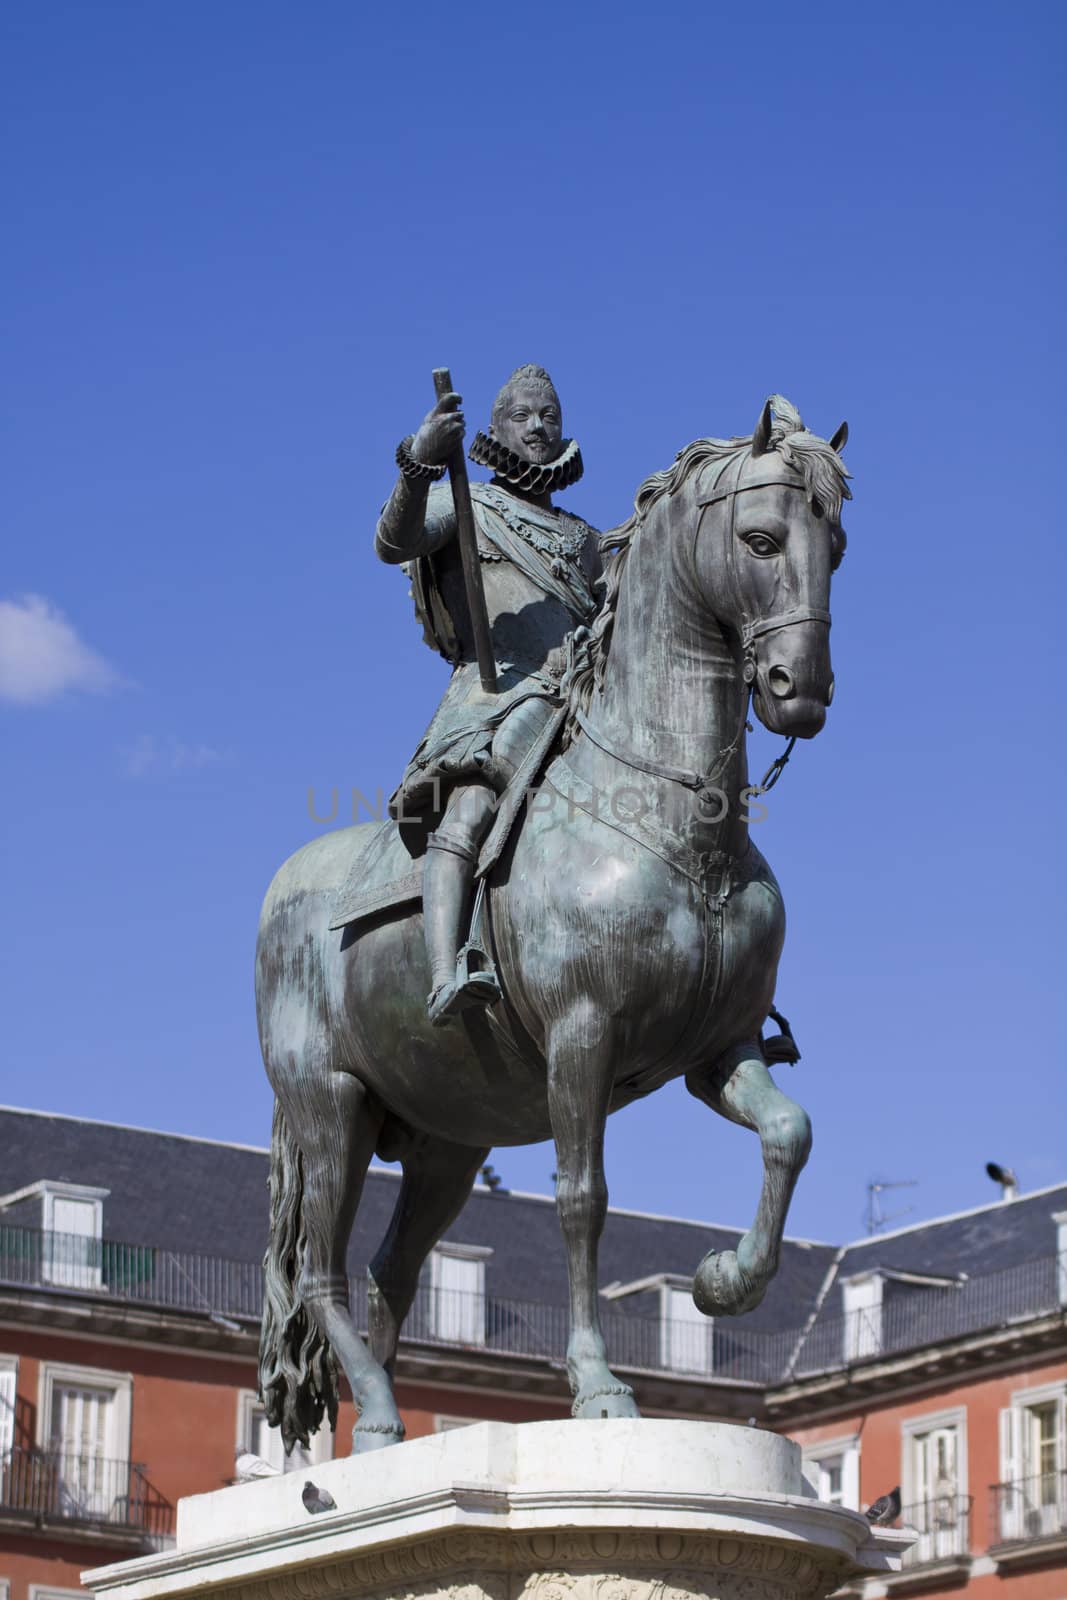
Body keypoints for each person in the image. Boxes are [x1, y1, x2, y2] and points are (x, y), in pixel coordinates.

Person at [375, 365, 601, 1025]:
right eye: (524, 415)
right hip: (495, 695)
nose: (538, 427)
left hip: (577, 702)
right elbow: (393, 542)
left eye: (549, 416)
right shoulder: (469, 506)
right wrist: (419, 463)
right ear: (495, 428)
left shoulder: (586, 540)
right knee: (472, 805)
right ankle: (447, 970)